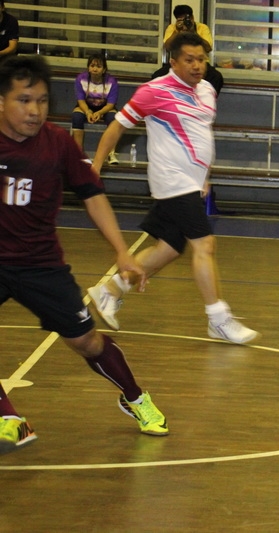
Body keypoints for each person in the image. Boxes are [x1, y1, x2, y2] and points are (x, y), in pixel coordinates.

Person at [0, 55, 169, 454]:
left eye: (42, 100)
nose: (35, 110)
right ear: (2, 101)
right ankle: (10, 419)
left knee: (86, 342)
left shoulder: (58, 143)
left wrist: (122, 252)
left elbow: (92, 194)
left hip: (41, 264)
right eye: (24, 100)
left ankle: (134, 397)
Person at [88, 32, 259, 345]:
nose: (197, 66)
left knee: (167, 250)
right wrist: (96, 166)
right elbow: (117, 127)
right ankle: (218, 319)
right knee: (204, 245)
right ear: (174, 62)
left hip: (190, 182)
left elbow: (200, 134)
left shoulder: (207, 90)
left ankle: (109, 291)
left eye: (201, 60)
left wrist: (204, 176)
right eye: (190, 60)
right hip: (171, 179)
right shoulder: (154, 91)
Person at [152, 5, 224, 95]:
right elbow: (168, 47)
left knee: (216, 77)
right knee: (157, 76)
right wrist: (177, 31)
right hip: (179, 63)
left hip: (199, 62)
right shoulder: (172, 28)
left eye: (187, 19)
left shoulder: (202, 28)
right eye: (180, 20)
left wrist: (193, 32)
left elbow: (208, 48)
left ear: (192, 17)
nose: (185, 22)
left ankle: (205, 99)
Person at [71, 54, 120, 164]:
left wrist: (99, 112)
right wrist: (88, 112)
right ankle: (78, 154)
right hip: (86, 105)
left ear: (104, 69)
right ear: (88, 67)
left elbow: (111, 104)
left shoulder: (112, 81)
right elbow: (80, 100)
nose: (95, 69)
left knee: (113, 118)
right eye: (92, 66)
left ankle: (111, 153)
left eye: (98, 66)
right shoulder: (80, 78)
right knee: (76, 117)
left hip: (105, 107)